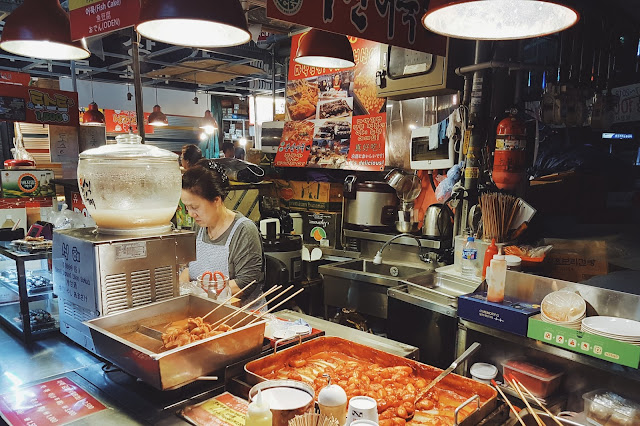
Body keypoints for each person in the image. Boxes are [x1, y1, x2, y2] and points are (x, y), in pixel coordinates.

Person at [180, 159, 264, 305]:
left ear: (216, 200)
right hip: (202, 308)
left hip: (239, 314)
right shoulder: (199, 227)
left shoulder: (244, 231)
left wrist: (200, 291)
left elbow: (246, 284)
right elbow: (189, 269)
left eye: (195, 207)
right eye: (187, 207)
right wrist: (181, 290)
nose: (191, 214)